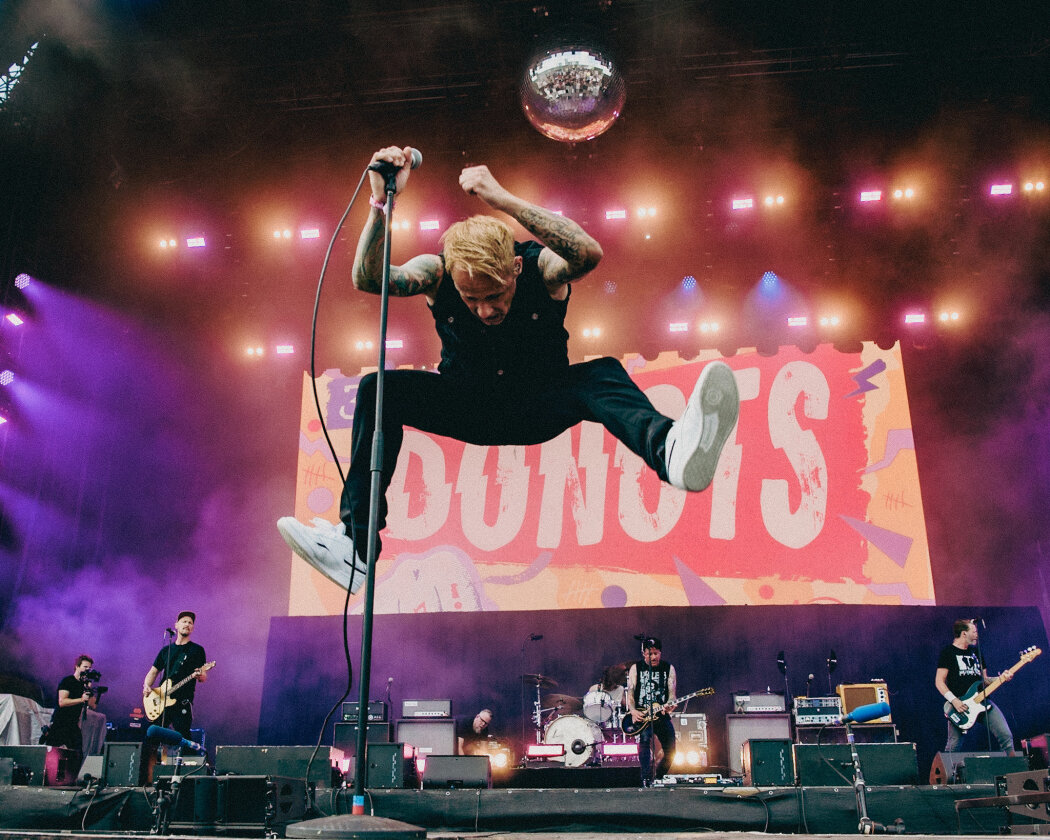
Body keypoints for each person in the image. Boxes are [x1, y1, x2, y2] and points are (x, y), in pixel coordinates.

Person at [277, 145, 741, 593]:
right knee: (380, 388)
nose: (484, 310)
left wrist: (499, 198)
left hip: (539, 403)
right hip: (468, 404)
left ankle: (671, 452)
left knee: (601, 373)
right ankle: (356, 548)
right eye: (471, 299)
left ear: (515, 269)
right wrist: (380, 202)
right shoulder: (437, 273)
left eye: (495, 295)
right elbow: (369, 279)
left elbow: (588, 253)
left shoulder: (542, 270)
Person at [935, 618, 1015, 754]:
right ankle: (947, 774)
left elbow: (984, 680)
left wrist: (1001, 678)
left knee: (1006, 735)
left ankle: (1013, 770)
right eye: (974, 631)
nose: (977, 634)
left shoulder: (976, 652)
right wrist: (954, 700)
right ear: (964, 633)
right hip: (960, 706)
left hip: (982, 701)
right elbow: (939, 681)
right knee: (953, 746)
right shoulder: (948, 652)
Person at [143, 611, 208, 742]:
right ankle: (150, 762)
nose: (187, 624)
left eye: (190, 622)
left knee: (183, 737)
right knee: (151, 738)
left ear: (193, 628)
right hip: (161, 699)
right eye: (184, 621)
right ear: (176, 625)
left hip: (182, 701)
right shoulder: (165, 651)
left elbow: (203, 676)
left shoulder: (197, 650)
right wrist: (147, 686)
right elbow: (153, 672)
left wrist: (200, 675)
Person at [626, 637, 677, 786]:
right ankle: (646, 778)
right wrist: (633, 711)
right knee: (644, 741)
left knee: (671, 750)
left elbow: (672, 694)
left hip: (661, 714)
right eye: (650, 654)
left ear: (660, 652)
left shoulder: (669, 668)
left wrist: (670, 705)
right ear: (643, 653)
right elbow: (630, 692)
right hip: (643, 714)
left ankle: (659, 777)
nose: (653, 657)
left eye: (656, 653)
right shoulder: (636, 668)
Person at [44, 654, 97, 753]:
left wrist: (89, 689)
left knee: (77, 753)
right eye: (85, 667)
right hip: (60, 723)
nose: (87, 670)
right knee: (51, 753)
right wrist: (81, 700)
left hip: (73, 725)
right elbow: (62, 702)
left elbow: (93, 705)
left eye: (89, 668)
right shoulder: (68, 681)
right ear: (77, 667)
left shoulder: (85, 685)